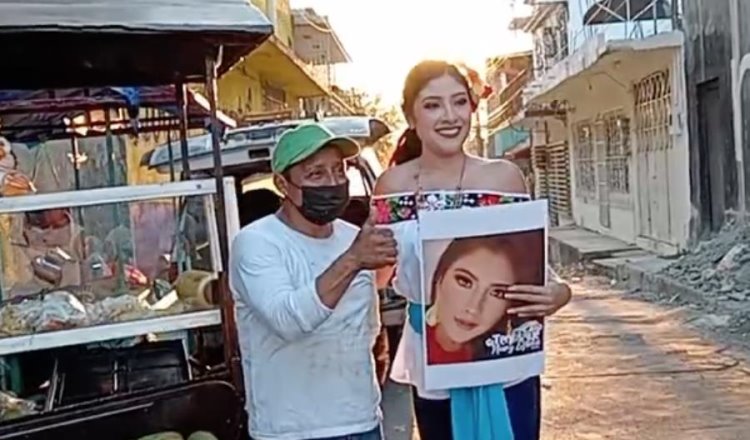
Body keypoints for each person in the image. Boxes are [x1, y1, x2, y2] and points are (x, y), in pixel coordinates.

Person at [372, 60, 573, 440]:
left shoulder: (504, 177)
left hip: (505, 356)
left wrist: (559, 293)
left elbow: (534, 266)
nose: (449, 116)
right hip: (434, 363)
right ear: (410, 116)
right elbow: (381, 276)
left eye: (459, 102)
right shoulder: (392, 185)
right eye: (432, 105)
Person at [229, 122, 397, 440]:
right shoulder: (256, 243)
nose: (333, 183)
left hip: (362, 423)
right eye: (316, 174)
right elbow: (289, 320)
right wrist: (353, 260)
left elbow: (368, 328)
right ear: (282, 184)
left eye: (338, 170)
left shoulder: (354, 238)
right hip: (289, 432)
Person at [425, 232, 544, 365]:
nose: (474, 308)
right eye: (464, 282)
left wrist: (560, 295)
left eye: (498, 292)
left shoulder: (508, 355)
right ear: (440, 279)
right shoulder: (417, 338)